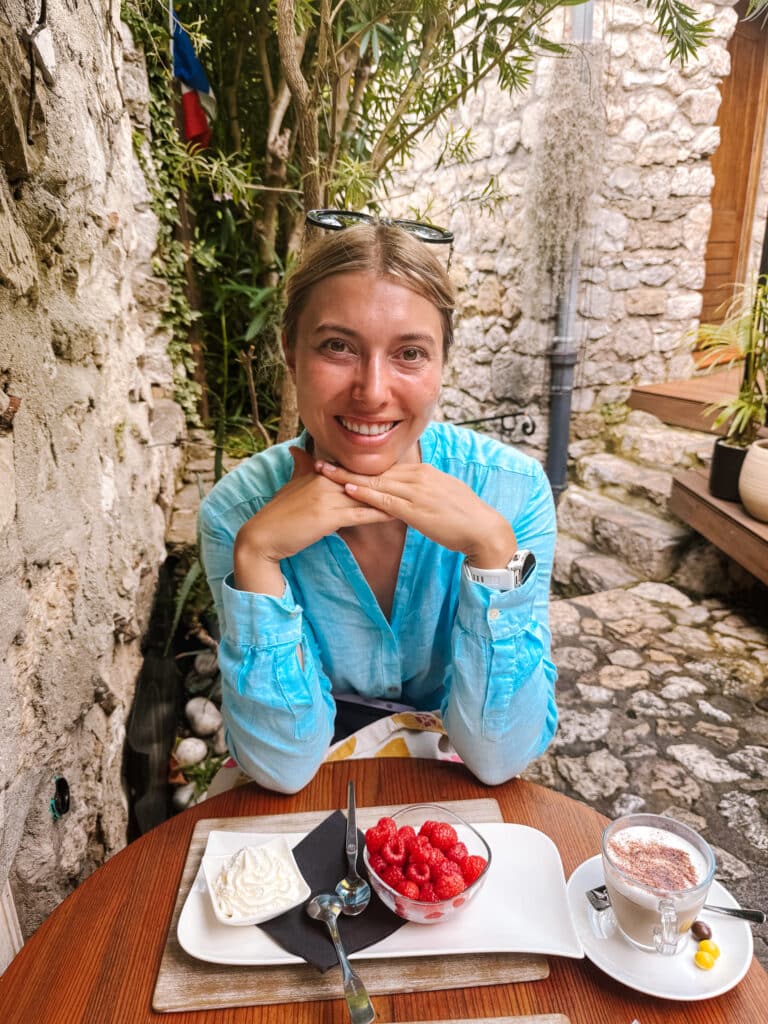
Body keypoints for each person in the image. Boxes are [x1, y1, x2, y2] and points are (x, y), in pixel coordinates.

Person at [198, 216, 558, 794]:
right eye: (338, 346)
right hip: (311, 779)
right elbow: (282, 767)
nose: (371, 391)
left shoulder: (511, 493)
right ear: (290, 352)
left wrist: (493, 551)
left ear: (442, 364)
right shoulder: (237, 513)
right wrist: (259, 556)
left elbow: (499, 758)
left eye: (410, 353)